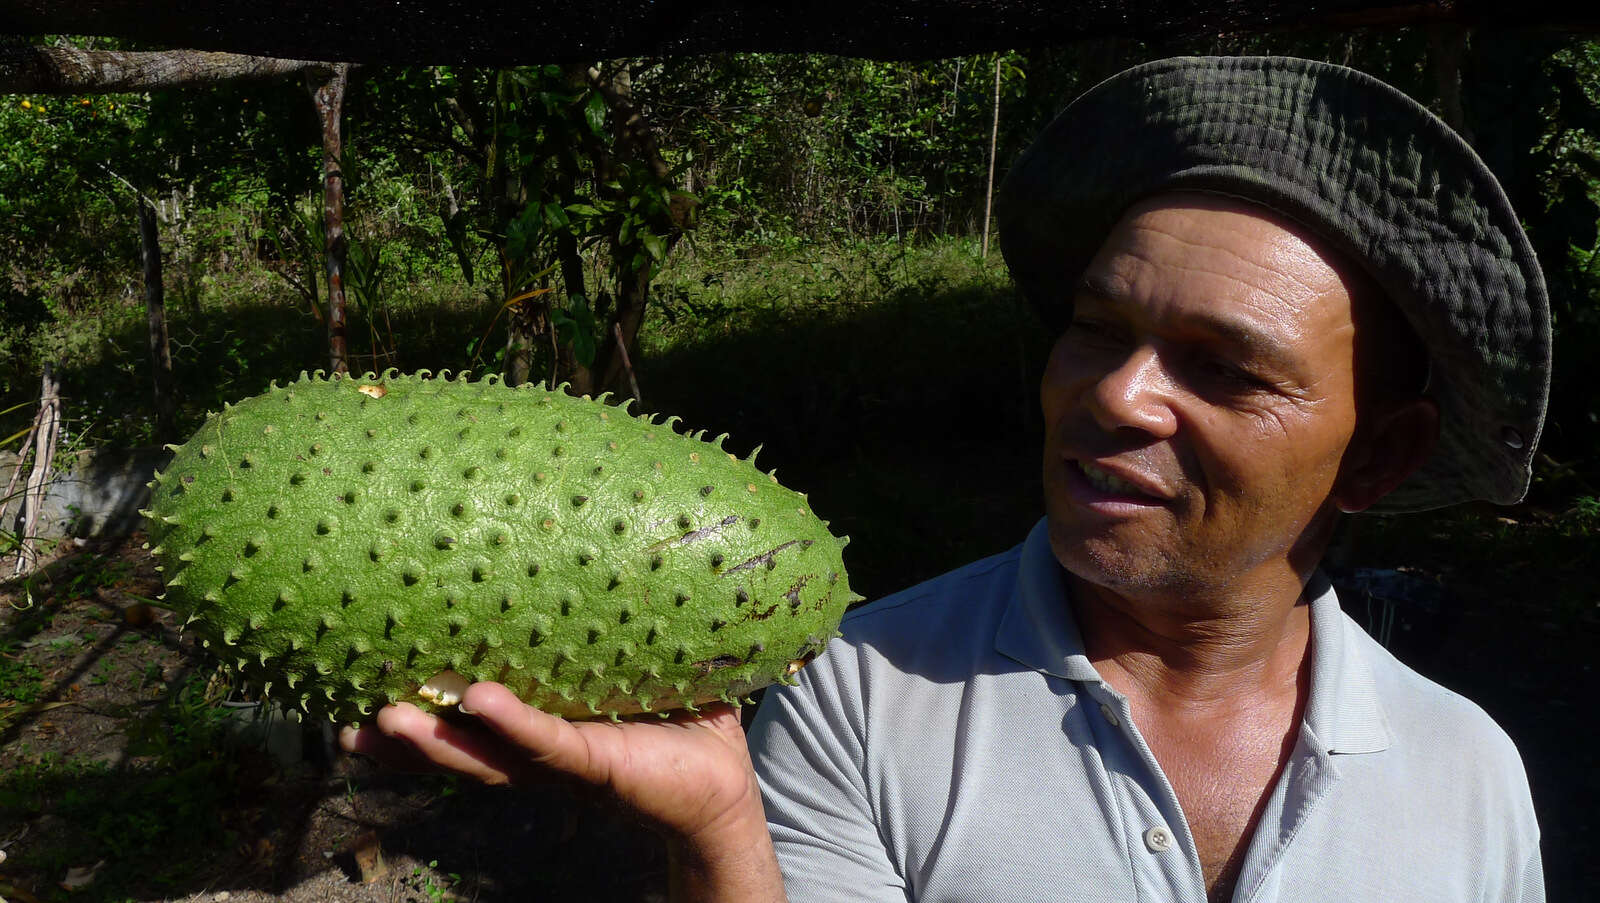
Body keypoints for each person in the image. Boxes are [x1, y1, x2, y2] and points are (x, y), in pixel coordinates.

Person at [342, 56, 1550, 902]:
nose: (1117, 395)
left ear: (1378, 456)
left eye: (1225, 370)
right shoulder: (859, 697)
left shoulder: (1469, 775)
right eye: (1094, 326)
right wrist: (718, 837)